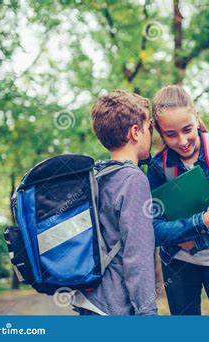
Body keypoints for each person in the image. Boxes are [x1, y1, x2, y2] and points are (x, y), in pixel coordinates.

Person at [147, 85, 209, 315]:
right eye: (171, 134)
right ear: (160, 133)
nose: (182, 141)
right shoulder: (157, 167)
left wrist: (198, 242)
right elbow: (153, 229)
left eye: (187, 129)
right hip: (177, 263)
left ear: (197, 117)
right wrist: (203, 221)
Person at [72, 89, 157, 315]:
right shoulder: (134, 179)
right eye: (149, 127)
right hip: (114, 305)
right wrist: (147, 312)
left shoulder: (96, 175)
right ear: (136, 132)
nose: (152, 134)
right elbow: (137, 256)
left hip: (89, 299)